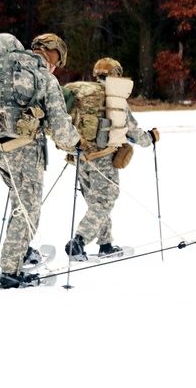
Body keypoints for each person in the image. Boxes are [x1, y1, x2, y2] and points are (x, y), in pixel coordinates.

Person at [0, 33, 80, 288]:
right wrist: (75, 144)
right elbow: (61, 126)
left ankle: (21, 250)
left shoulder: (10, 69)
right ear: (53, 54)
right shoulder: (44, 77)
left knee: (19, 202)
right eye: (58, 60)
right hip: (25, 152)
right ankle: (11, 271)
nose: (56, 66)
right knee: (28, 210)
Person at [63, 57, 159, 262]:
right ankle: (79, 241)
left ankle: (105, 244)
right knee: (105, 202)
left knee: (95, 203)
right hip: (103, 158)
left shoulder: (84, 95)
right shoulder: (114, 98)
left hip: (81, 157)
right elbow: (132, 130)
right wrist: (150, 138)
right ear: (115, 74)